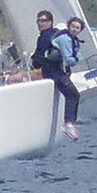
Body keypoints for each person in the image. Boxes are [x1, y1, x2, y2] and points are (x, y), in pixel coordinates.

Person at [31, 10, 81, 140]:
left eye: (43, 21)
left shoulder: (47, 36)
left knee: (73, 94)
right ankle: (68, 123)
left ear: (50, 22)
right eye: (38, 21)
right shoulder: (50, 35)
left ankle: (68, 123)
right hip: (53, 72)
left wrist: (35, 61)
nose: (40, 23)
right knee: (73, 94)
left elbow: (39, 56)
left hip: (54, 71)